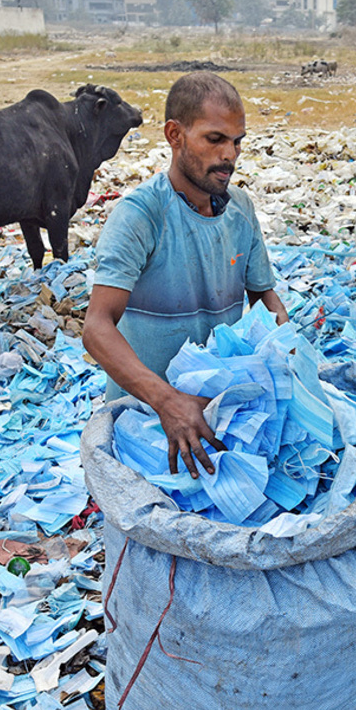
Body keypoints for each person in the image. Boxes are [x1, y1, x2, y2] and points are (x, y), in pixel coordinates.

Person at [84, 71, 287, 479]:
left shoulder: (240, 209)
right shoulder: (141, 215)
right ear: (174, 135)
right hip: (145, 419)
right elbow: (96, 327)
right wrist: (166, 401)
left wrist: (286, 354)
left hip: (216, 415)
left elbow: (266, 300)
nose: (229, 155)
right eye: (215, 139)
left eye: (237, 142)